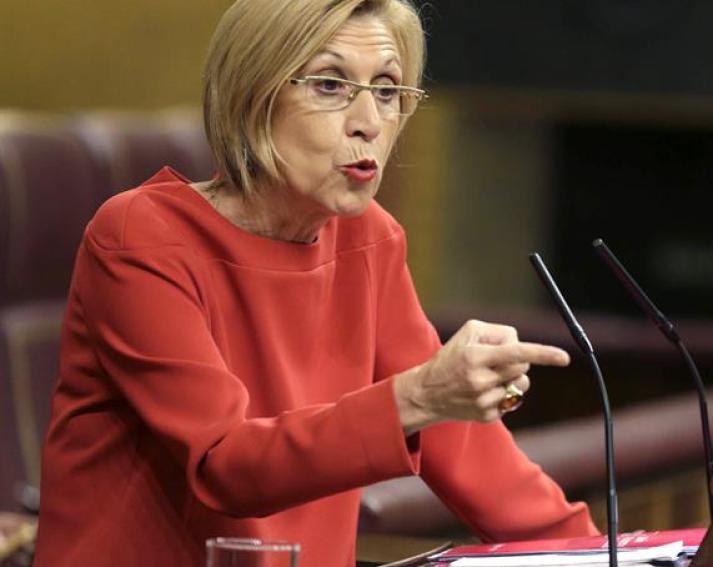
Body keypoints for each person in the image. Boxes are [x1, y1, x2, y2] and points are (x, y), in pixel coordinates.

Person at [33, 0, 599, 565]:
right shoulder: (142, 237)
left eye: (386, 90)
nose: (369, 122)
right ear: (252, 96)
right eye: (329, 85)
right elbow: (225, 464)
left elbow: (469, 453)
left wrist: (601, 553)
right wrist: (421, 394)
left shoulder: (369, 239)